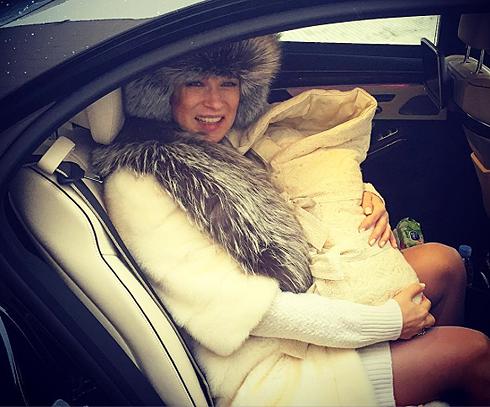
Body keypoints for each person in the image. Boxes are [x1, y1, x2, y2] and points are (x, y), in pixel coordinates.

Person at [92, 35, 489, 406]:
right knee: (473, 350)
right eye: (195, 82)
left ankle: (431, 385)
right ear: (163, 91)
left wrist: (368, 199)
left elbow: (297, 185)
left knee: (444, 263)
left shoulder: (214, 146)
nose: (215, 103)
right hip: (267, 367)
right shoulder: (141, 183)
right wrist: (388, 322)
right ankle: (440, 372)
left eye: (228, 83)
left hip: (305, 311)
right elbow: (242, 311)